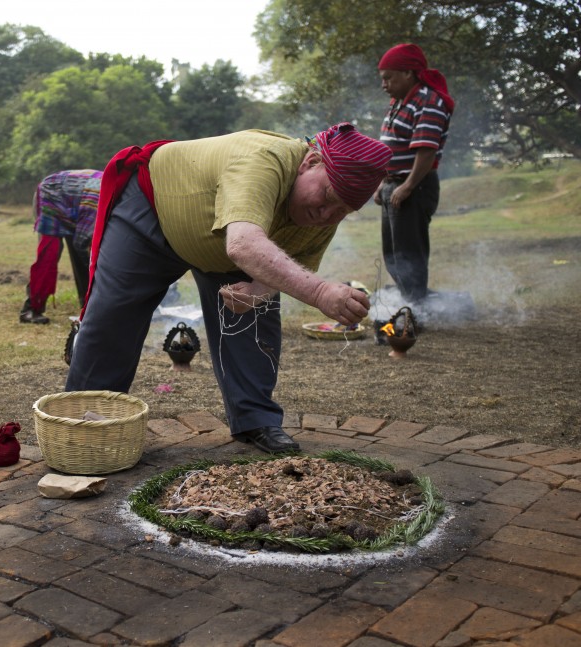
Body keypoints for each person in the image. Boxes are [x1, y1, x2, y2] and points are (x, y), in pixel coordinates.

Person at [66, 123, 392, 454]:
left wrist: (256, 291)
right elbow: (245, 245)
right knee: (113, 316)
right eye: (327, 196)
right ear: (311, 162)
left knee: (254, 317)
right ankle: (84, 422)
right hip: (155, 209)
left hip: (228, 239)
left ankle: (255, 419)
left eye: (342, 212)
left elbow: (287, 263)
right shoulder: (263, 159)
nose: (327, 214)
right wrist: (321, 293)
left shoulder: (323, 217)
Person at [375, 43, 454, 303]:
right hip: (393, 184)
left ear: (408, 73)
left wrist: (407, 186)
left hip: (414, 187)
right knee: (393, 254)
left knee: (410, 252)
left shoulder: (429, 101)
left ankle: (416, 308)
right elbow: (390, 146)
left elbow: (426, 151)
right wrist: (381, 183)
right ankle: (408, 301)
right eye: (382, 78)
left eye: (389, 78)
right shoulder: (399, 102)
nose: (384, 84)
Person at [20, 169, 102, 324]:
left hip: (76, 202)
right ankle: (31, 309)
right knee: (49, 255)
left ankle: (88, 308)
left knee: (83, 254)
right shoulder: (98, 201)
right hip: (51, 194)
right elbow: (82, 243)